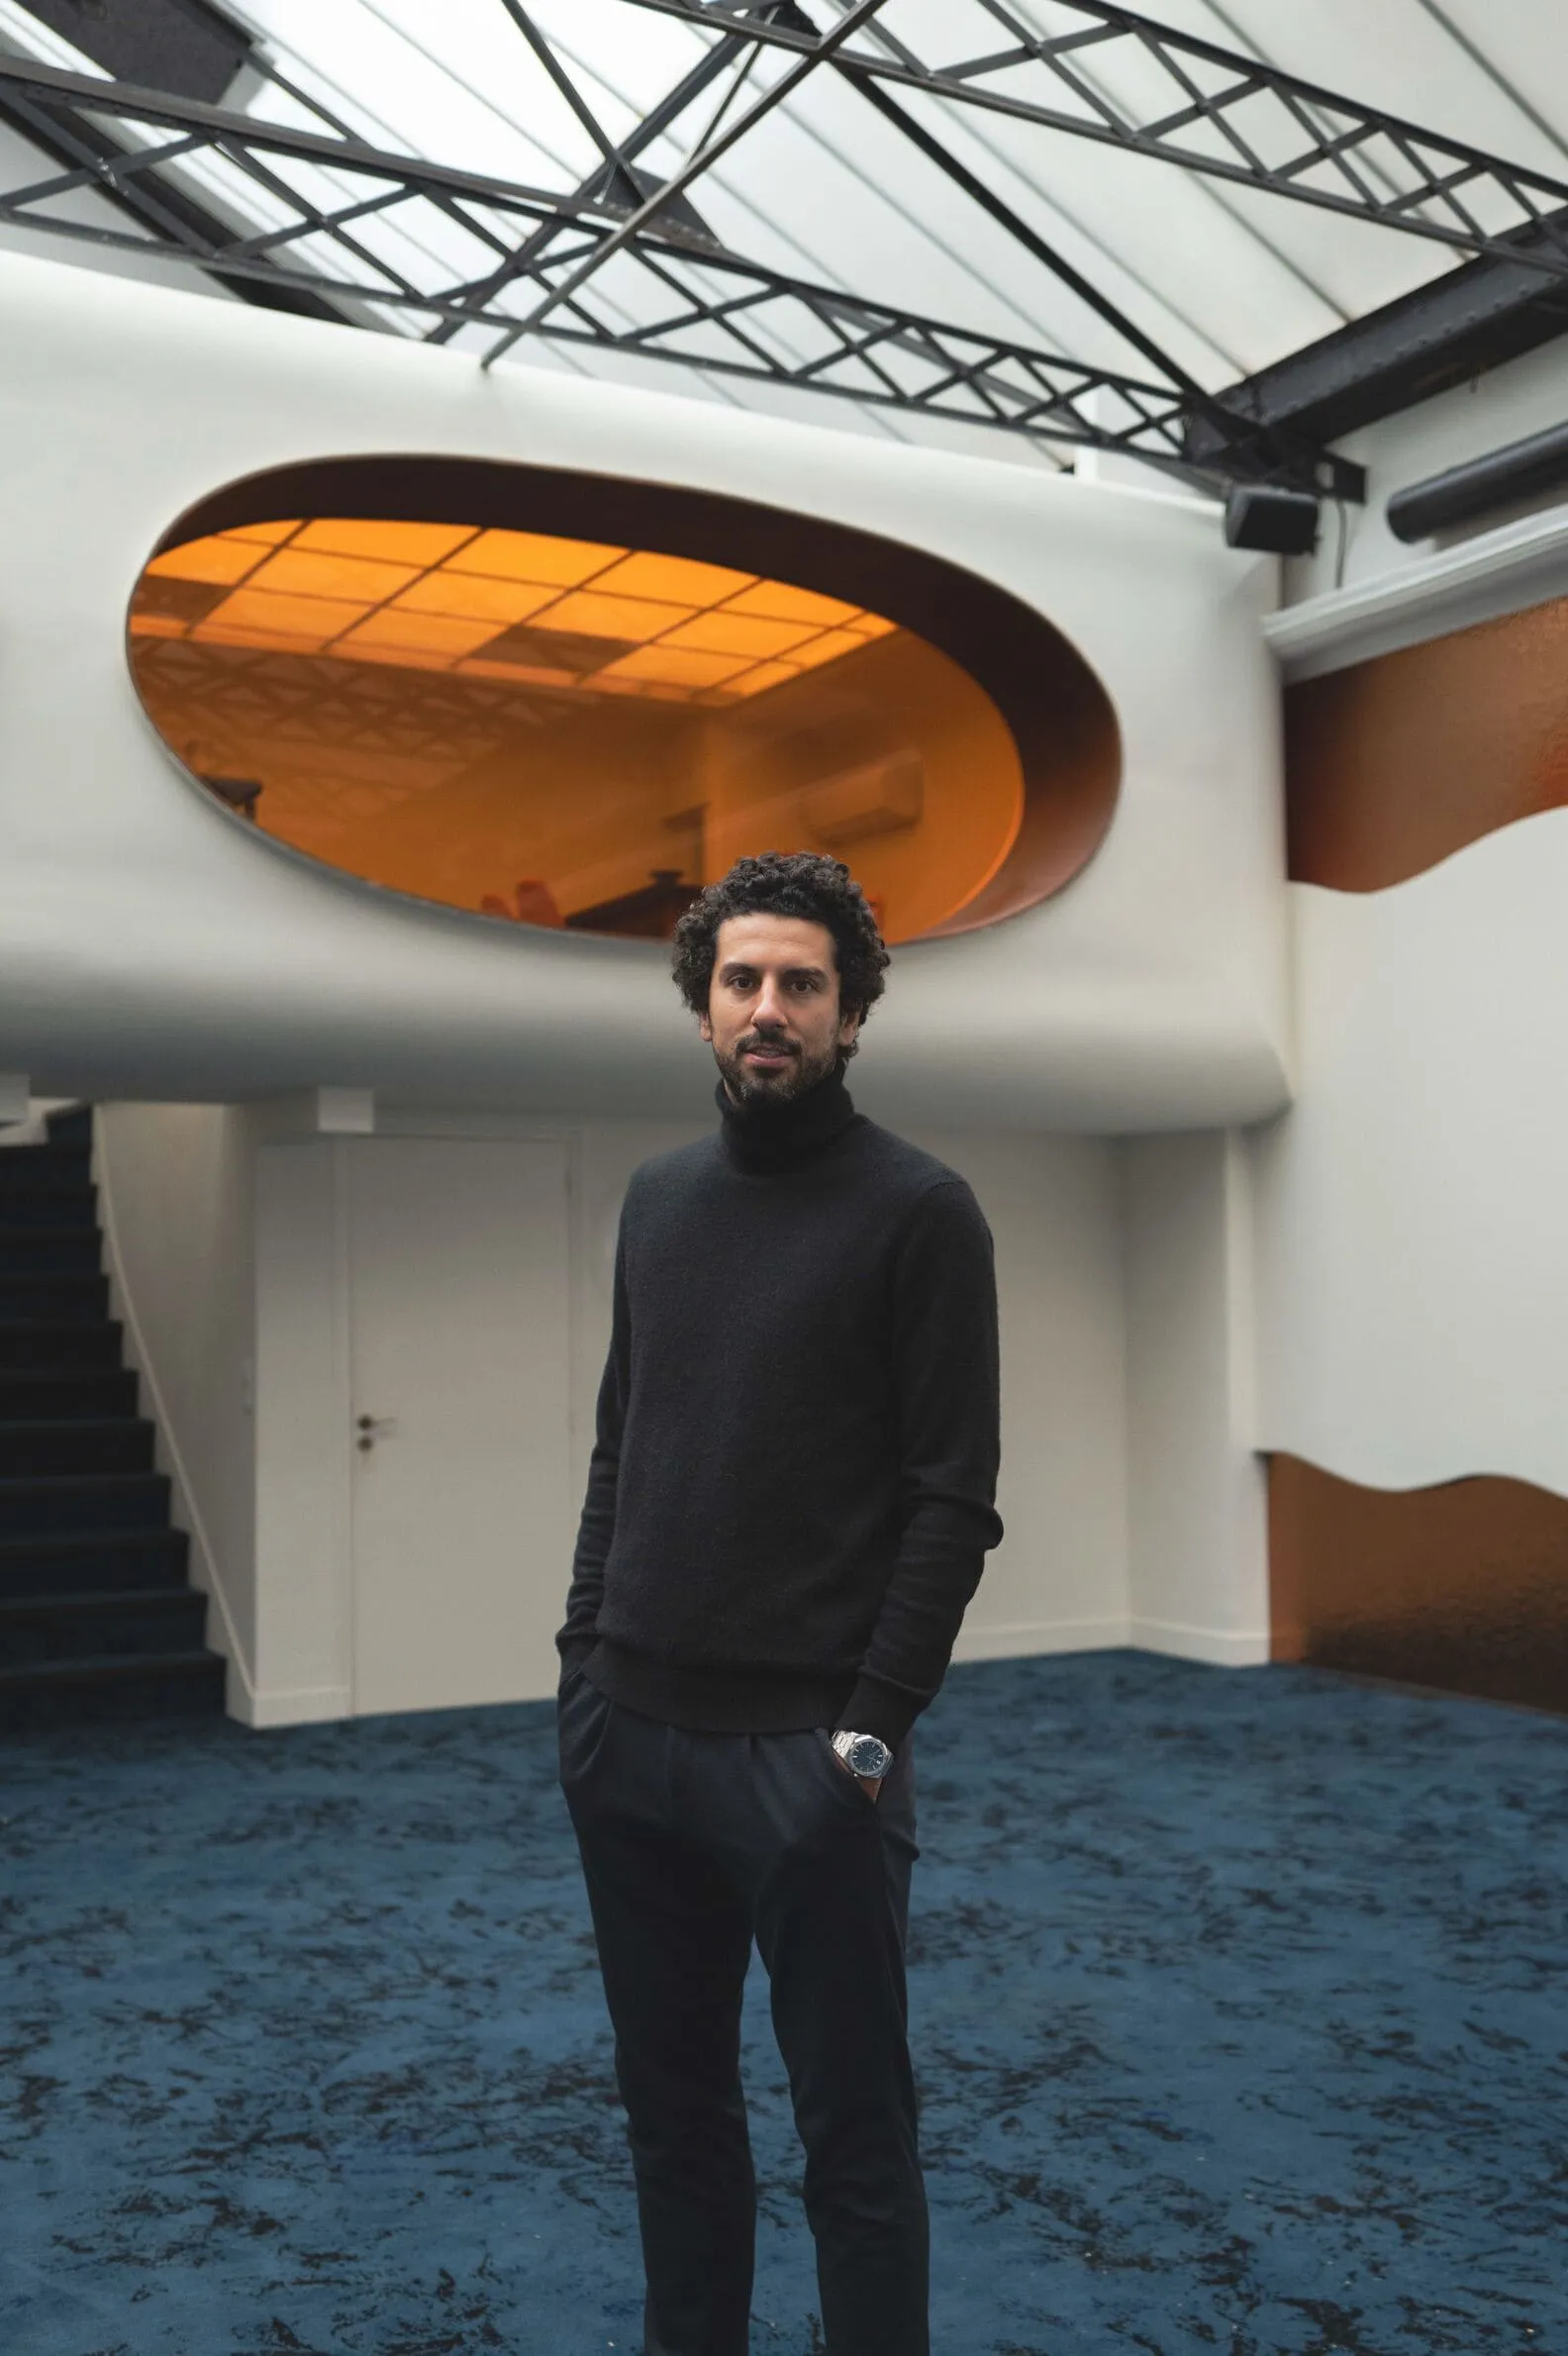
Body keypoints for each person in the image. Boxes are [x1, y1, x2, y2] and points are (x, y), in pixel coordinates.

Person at [555, 849, 1003, 2356]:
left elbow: (953, 1503)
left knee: (855, 2143)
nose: (768, 1007)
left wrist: (868, 1738)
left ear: (850, 1013)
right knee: (673, 2125)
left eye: (801, 984)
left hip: (811, 1762)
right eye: (740, 979)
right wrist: (582, 1669)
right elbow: (622, 1445)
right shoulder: (657, 1200)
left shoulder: (921, 1212)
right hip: (630, 1743)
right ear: (703, 1006)